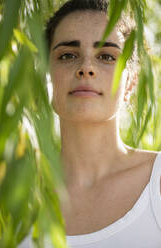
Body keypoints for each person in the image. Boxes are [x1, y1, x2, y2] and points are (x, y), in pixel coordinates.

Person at [19, 0, 161, 247]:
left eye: (106, 56)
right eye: (67, 55)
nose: (86, 68)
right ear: (46, 73)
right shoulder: (11, 188)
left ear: (130, 82)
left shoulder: (157, 183)